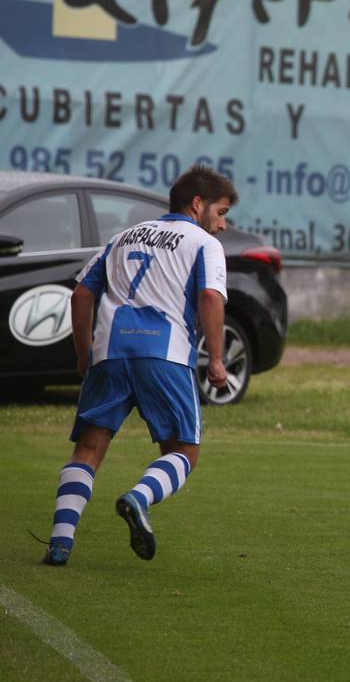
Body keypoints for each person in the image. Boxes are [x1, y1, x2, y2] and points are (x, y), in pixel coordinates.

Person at [41, 165, 235, 566]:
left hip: (109, 351)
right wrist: (215, 358)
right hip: (163, 354)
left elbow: (80, 295)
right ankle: (138, 497)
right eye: (220, 212)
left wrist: (83, 353)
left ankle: (60, 543)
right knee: (183, 452)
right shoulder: (202, 243)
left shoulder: (122, 237)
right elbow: (212, 299)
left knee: (88, 450)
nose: (223, 224)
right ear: (197, 204)